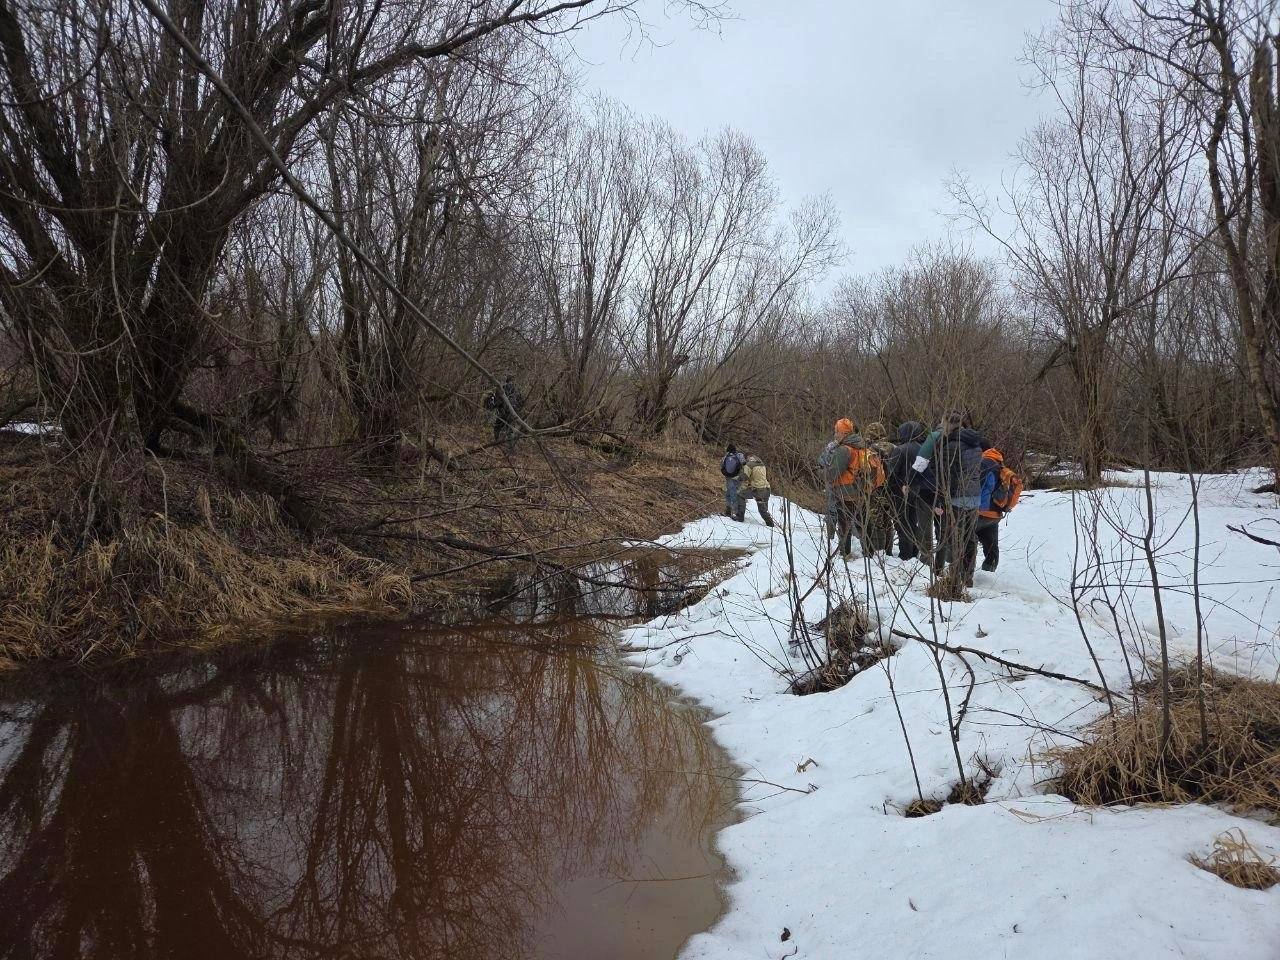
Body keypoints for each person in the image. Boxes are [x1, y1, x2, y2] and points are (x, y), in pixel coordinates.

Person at [911, 411, 987, 585]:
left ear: (946, 423)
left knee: (951, 537)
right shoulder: (976, 444)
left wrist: (938, 500)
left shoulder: (951, 446)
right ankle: (967, 578)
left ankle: (953, 578)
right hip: (974, 496)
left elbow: (944, 476)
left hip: (956, 497)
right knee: (970, 538)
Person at [825, 418, 885, 559]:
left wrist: (820, 472)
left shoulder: (844, 449)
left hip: (846, 492)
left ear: (843, 433)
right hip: (862, 490)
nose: (835, 435)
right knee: (864, 522)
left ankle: (845, 553)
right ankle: (869, 552)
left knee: (844, 524)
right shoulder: (862, 446)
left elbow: (833, 473)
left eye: (837, 432)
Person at [887, 420, 934, 562]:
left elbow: (891, 473)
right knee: (913, 521)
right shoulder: (924, 449)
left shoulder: (900, 450)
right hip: (919, 490)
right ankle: (914, 552)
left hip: (901, 490)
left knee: (902, 522)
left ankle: (905, 554)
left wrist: (888, 489)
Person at [864, 421, 897, 556]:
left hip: (876, 489)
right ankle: (888, 551)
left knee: (875, 520)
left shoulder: (870, 450)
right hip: (893, 490)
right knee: (888, 520)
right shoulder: (895, 448)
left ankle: (877, 552)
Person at [734, 453, 775, 526]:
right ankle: (770, 525)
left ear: (748, 458)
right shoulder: (762, 464)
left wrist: (737, 478)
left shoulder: (749, 464)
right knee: (764, 510)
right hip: (767, 489)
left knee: (740, 495)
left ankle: (740, 516)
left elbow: (745, 476)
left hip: (758, 490)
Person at [817, 438, 838, 542]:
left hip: (833, 483)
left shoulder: (832, 447)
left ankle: (830, 538)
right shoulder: (857, 447)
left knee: (832, 511)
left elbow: (821, 461)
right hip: (851, 486)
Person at [720, 444, 746, 518]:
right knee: (735, 494)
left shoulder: (726, 456)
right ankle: (736, 512)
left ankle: (728, 511)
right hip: (737, 477)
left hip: (728, 477)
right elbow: (744, 464)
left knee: (729, 494)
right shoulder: (740, 455)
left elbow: (721, 465)